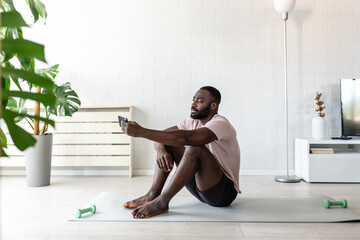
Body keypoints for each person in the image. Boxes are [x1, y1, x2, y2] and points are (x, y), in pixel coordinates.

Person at [121, 86, 241, 219]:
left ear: (213, 106)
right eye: (193, 100)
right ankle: (153, 195)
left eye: (199, 101)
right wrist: (161, 150)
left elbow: (187, 138)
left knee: (195, 148)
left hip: (223, 193)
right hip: (199, 188)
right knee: (168, 142)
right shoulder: (191, 122)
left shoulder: (220, 123)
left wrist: (142, 132)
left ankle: (162, 202)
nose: (193, 104)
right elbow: (163, 135)